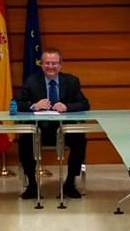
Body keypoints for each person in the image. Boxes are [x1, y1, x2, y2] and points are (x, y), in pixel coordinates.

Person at [16, 47, 90, 199]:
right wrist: (33, 106)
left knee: (80, 140)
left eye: (54, 63)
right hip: (40, 131)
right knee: (24, 140)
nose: (51, 67)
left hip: (65, 131)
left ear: (60, 65)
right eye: (47, 63)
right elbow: (17, 103)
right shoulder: (31, 81)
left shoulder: (71, 81)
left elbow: (84, 104)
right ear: (41, 65)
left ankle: (70, 183)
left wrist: (67, 107)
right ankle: (32, 185)